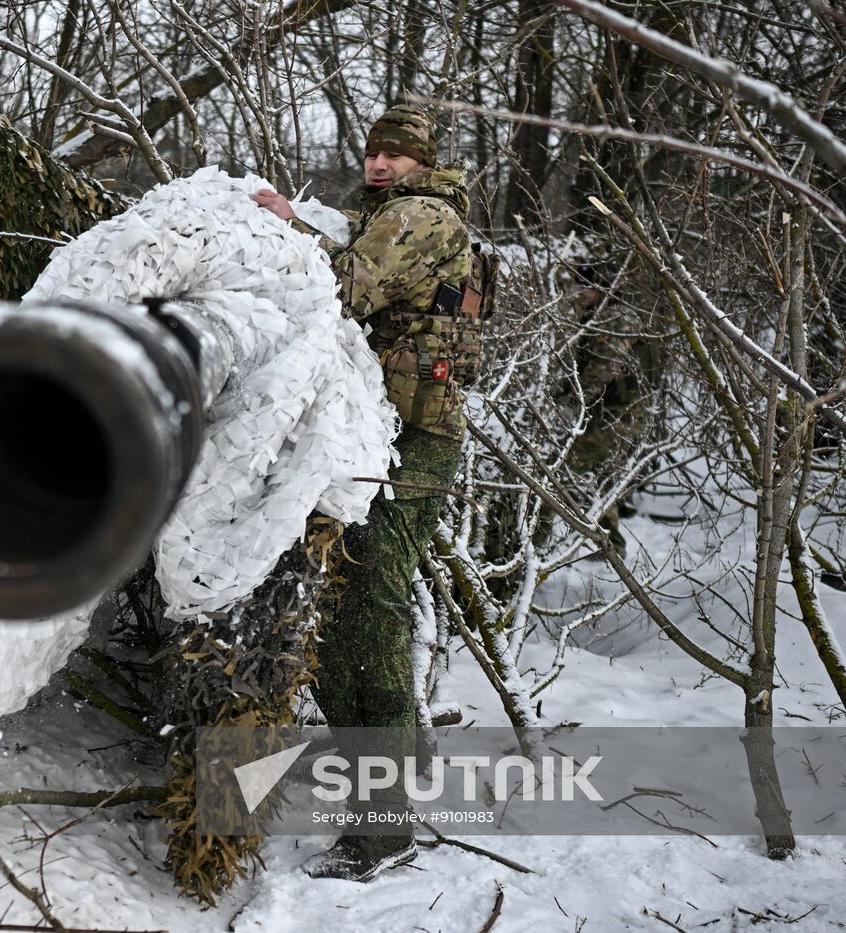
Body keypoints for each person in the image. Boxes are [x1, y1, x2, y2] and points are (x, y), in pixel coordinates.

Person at [254, 105, 483, 881]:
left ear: (423, 161)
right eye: (373, 151)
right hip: (378, 434)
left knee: (371, 602)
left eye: (396, 153)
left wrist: (283, 226)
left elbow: (345, 284)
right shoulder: (389, 212)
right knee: (346, 599)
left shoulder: (421, 217)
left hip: (414, 441)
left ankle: (384, 827)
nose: (379, 163)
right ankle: (395, 765)